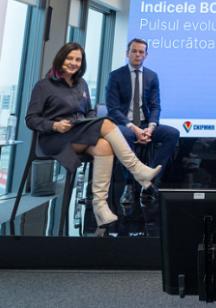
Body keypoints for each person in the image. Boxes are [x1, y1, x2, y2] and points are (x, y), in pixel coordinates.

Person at [25, 42, 161, 227]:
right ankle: (137, 169)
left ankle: (100, 205)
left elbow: (89, 112)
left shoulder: (81, 83)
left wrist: (91, 124)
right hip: (54, 139)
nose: (74, 63)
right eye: (70, 58)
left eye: (78, 60)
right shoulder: (44, 85)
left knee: (104, 146)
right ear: (60, 59)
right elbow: (31, 119)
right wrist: (54, 125)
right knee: (105, 122)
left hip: (78, 133)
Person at [106, 38, 180, 203]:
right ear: (127, 53)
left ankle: (149, 180)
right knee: (126, 134)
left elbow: (155, 106)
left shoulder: (152, 76)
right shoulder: (116, 76)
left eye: (141, 52)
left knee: (172, 134)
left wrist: (150, 128)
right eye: (134, 51)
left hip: (145, 125)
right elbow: (113, 109)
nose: (137, 55)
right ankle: (129, 184)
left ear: (146, 55)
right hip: (123, 125)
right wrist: (134, 128)